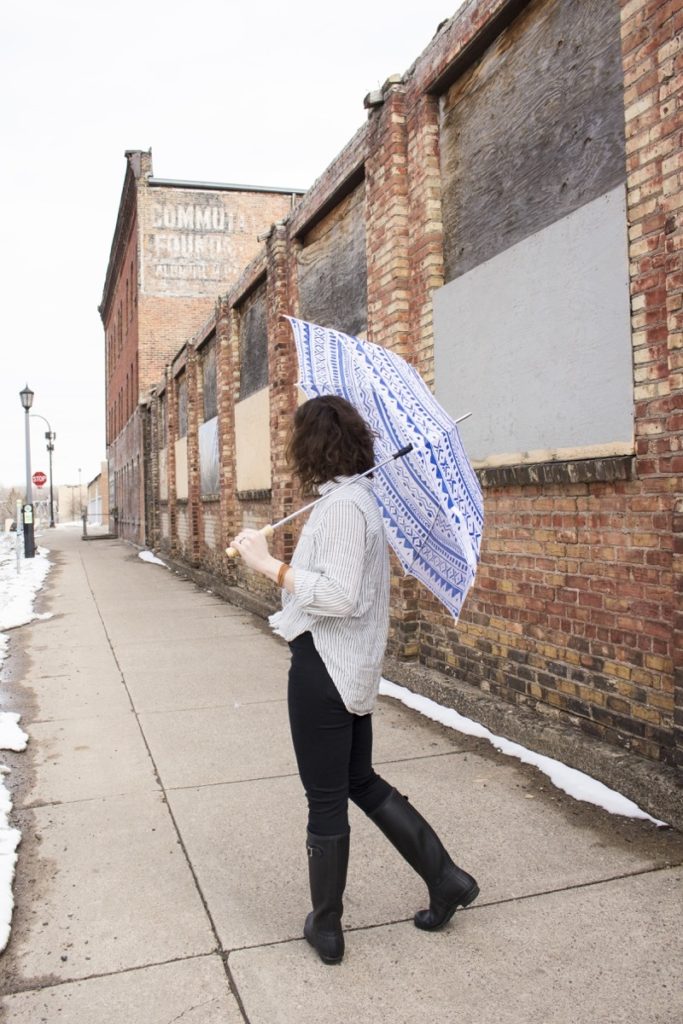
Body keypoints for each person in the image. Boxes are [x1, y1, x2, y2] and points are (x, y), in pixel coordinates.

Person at [230, 395, 478, 965]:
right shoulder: (353, 501)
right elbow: (338, 583)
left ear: (310, 446)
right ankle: (447, 880)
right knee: (359, 781)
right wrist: (276, 559)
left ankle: (326, 927)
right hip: (346, 669)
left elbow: (339, 596)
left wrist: (268, 564)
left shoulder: (344, 507)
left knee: (326, 798)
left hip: (325, 669)